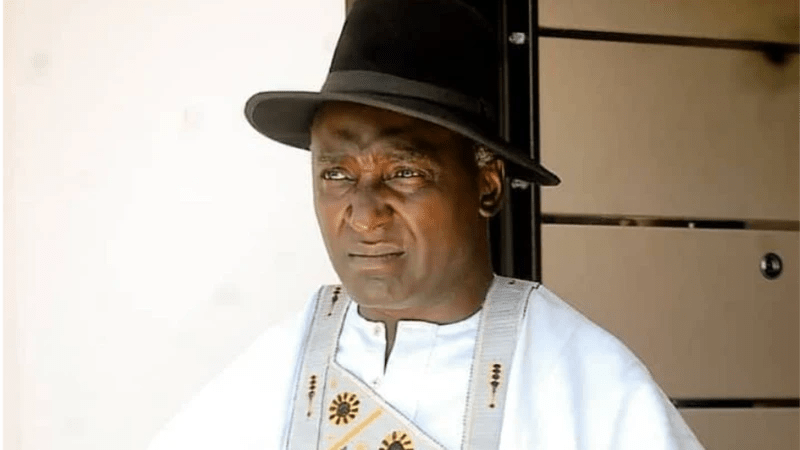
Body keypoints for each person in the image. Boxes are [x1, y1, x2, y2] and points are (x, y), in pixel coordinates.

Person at [148, 0, 704, 448]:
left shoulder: (582, 380)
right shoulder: (280, 368)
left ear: (487, 184)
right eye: (337, 174)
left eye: (404, 172)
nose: (364, 214)